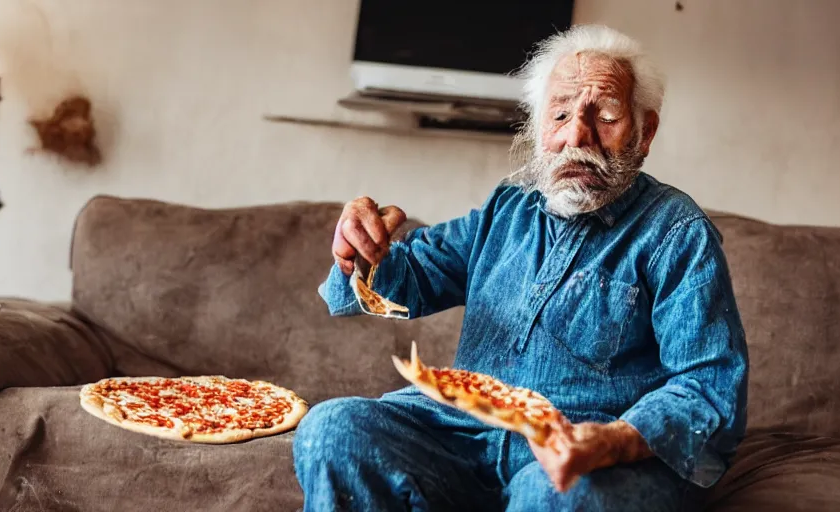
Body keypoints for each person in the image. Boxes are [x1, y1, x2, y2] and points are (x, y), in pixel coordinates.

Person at [293, 23, 749, 512]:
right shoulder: (506, 210)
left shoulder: (676, 232)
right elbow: (404, 279)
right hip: (461, 435)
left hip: (585, 451)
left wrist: (613, 440)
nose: (577, 134)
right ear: (538, 128)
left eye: (607, 116)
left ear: (645, 131)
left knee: (552, 495)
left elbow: (708, 386)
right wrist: (360, 251)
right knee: (332, 429)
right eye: (559, 114)